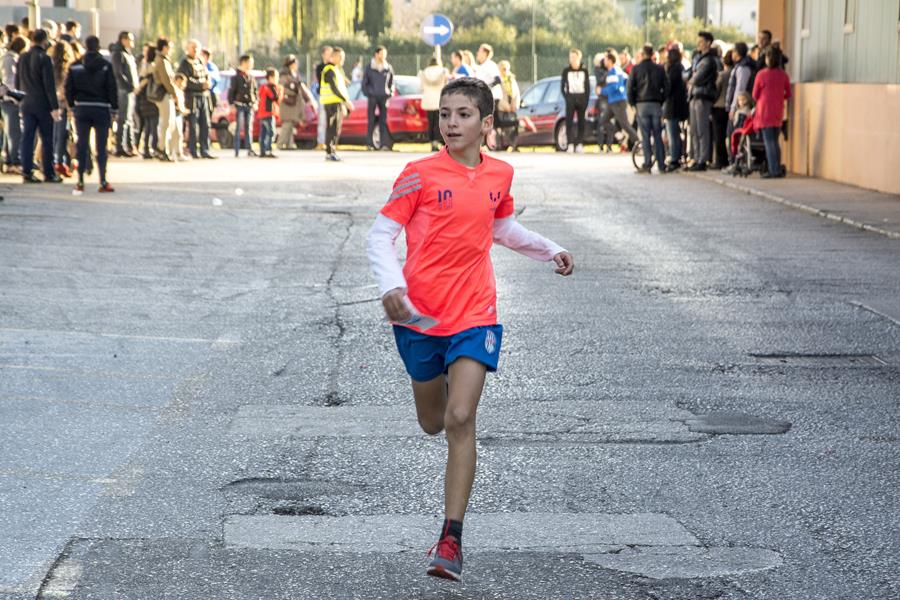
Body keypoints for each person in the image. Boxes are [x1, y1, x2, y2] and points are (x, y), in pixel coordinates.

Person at [365, 76, 574, 583]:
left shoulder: (500, 173)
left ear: (486, 123)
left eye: (463, 114)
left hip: (475, 312)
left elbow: (500, 228)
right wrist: (391, 286)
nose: (451, 123)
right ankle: (438, 377)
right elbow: (381, 234)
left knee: (460, 417)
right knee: (432, 422)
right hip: (421, 317)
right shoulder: (418, 174)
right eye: (445, 114)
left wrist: (550, 249)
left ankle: (450, 539)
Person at [64, 35, 117, 193]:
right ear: (98, 47)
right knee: (101, 146)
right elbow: (112, 88)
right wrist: (114, 108)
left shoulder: (75, 66)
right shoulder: (106, 66)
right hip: (101, 108)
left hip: (82, 108)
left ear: (86, 47)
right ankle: (103, 181)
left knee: (82, 144)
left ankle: (80, 181)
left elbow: (68, 88)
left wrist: (72, 105)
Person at [17, 28, 61, 184]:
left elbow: (17, 81)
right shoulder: (45, 58)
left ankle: (26, 171)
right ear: (44, 41)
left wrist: (19, 99)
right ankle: (49, 172)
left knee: (27, 137)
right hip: (42, 104)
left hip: (26, 102)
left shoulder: (22, 57)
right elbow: (49, 85)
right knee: (47, 139)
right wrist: (54, 107)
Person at [628, 44, 669, 173]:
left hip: (641, 104)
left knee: (645, 136)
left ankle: (647, 163)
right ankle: (661, 164)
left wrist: (633, 103)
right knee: (657, 135)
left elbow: (630, 88)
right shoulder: (659, 69)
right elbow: (666, 87)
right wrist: (661, 100)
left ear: (642, 54)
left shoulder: (636, 69)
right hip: (656, 104)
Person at [752, 47, 791, 178]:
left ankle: (773, 170)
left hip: (765, 111)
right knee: (775, 141)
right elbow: (788, 94)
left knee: (769, 142)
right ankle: (777, 167)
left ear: (767, 59)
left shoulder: (761, 74)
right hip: (778, 111)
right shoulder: (783, 75)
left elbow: (755, 95)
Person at [686, 31, 718, 171]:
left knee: (702, 129)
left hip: (703, 96)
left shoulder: (709, 60)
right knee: (694, 129)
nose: (698, 44)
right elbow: (687, 74)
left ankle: (702, 159)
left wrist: (692, 78)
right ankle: (696, 157)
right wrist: (691, 77)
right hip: (693, 95)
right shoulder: (697, 58)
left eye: (701, 41)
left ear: (708, 43)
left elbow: (697, 78)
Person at [178, 39, 214, 159]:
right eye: (193, 47)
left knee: (205, 124)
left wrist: (208, 82)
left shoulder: (200, 61)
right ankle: (193, 150)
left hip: (204, 96)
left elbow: (207, 75)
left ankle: (205, 149)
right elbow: (185, 80)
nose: (195, 50)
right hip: (192, 97)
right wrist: (200, 85)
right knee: (193, 126)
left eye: (197, 47)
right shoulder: (184, 63)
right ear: (187, 49)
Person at [597, 50, 637, 152]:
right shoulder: (617, 70)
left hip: (617, 101)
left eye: (606, 59)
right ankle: (619, 135)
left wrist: (601, 90)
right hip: (613, 100)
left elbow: (614, 87)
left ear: (610, 61)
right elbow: (626, 80)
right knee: (603, 120)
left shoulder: (613, 71)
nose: (604, 61)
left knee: (625, 124)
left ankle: (638, 142)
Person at [319, 46, 353, 162]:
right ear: (334, 57)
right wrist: (346, 101)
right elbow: (334, 88)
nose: (343, 59)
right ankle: (329, 152)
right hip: (331, 103)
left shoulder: (336, 70)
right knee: (332, 128)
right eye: (341, 57)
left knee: (336, 128)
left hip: (336, 102)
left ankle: (332, 151)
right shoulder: (329, 69)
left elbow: (341, 87)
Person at [111, 31, 139, 157]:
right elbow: (118, 73)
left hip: (130, 90)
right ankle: (120, 146)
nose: (132, 42)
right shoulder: (118, 54)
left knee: (129, 119)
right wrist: (128, 85)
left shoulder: (128, 54)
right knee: (123, 119)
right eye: (130, 39)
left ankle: (130, 145)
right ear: (123, 40)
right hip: (124, 90)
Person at [362, 45, 395, 151]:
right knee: (371, 120)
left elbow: (392, 82)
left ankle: (384, 144)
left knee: (383, 121)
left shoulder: (388, 67)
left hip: (384, 97)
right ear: (376, 54)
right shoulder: (369, 67)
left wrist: (390, 92)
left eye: (385, 54)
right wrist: (369, 93)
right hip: (372, 97)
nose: (384, 56)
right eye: (382, 54)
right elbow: (364, 83)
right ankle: (369, 144)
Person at [50, 39, 75, 178]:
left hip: (50, 105)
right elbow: (67, 90)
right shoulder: (68, 69)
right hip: (63, 105)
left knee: (52, 136)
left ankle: (53, 161)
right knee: (62, 136)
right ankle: (59, 162)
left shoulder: (50, 67)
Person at [2, 36, 27, 173]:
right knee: (14, 132)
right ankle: (13, 161)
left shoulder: (7, 57)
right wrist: (16, 95)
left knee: (10, 132)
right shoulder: (10, 59)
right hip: (10, 99)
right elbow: (10, 80)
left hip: (7, 99)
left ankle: (9, 160)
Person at [662, 46, 689, 170]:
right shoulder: (680, 68)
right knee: (675, 133)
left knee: (673, 134)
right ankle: (676, 155)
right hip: (679, 105)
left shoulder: (673, 69)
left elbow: (669, 87)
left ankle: (674, 158)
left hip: (672, 106)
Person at [152, 37, 179, 161]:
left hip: (166, 94)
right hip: (163, 95)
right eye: (170, 47)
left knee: (169, 123)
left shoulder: (163, 60)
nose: (171, 50)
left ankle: (164, 148)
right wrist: (174, 93)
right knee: (166, 123)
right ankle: (162, 148)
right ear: (164, 47)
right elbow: (167, 80)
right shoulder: (162, 61)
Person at [228, 54, 258, 158]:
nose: (251, 65)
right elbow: (231, 91)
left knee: (248, 128)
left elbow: (255, 91)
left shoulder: (251, 77)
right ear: (244, 62)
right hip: (239, 105)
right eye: (250, 62)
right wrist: (231, 104)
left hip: (249, 105)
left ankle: (249, 149)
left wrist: (255, 102)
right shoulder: (236, 77)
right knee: (237, 128)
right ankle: (236, 151)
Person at [278, 55, 311, 151]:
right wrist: (292, 92)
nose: (297, 65)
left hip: (294, 103)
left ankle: (289, 144)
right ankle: (281, 143)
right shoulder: (284, 75)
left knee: (291, 124)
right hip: (287, 102)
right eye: (295, 63)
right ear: (290, 64)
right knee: (287, 123)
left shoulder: (295, 74)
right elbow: (282, 88)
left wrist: (307, 99)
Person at [560, 48, 590, 153]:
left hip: (581, 99)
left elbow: (587, 87)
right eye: (570, 57)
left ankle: (579, 143)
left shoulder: (584, 70)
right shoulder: (566, 71)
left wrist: (585, 100)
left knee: (581, 122)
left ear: (579, 58)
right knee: (569, 122)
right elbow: (562, 86)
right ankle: (570, 144)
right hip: (570, 99)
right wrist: (567, 98)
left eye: (574, 57)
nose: (572, 59)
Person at [419, 56, 447, 152]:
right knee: (438, 122)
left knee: (430, 122)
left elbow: (421, 87)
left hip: (428, 100)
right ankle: (437, 142)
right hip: (439, 100)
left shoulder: (424, 72)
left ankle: (431, 142)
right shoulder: (442, 71)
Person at [136, 44, 159, 159]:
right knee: (153, 125)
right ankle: (153, 148)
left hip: (143, 98)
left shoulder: (144, 65)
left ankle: (146, 149)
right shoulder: (153, 66)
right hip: (151, 98)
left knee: (147, 125)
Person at [712, 46, 732, 169]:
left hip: (719, 106)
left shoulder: (723, 75)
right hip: (730, 107)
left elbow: (716, 89)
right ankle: (730, 158)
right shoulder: (735, 73)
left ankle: (720, 160)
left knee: (719, 135)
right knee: (729, 135)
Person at [256, 67, 281, 158]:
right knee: (271, 132)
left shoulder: (264, 87)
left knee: (263, 132)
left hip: (263, 113)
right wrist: (278, 89)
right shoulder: (269, 88)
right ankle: (268, 150)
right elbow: (275, 97)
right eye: (276, 77)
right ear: (270, 78)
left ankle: (263, 151)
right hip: (268, 113)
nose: (277, 79)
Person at [496, 59, 520, 150]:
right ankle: (500, 145)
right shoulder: (498, 80)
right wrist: (504, 105)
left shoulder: (511, 80)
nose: (504, 71)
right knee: (500, 126)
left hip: (512, 108)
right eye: (502, 69)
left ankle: (513, 145)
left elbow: (516, 94)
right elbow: (498, 94)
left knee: (511, 127)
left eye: (505, 69)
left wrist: (514, 105)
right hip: (502, 107)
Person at [313, 45, 333, 150]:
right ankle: (321, 142)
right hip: (323, 95)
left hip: (332, 96)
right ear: (323, 55)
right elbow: (321, 80)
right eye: (327, 54)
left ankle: (330, 141)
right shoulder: (320, 67)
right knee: (322, 119)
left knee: (331, 121)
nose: (329, 56)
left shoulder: (333, 67)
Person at [592, 51, 612, 152]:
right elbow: (600, 80)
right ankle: (601, 145)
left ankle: (609, 145)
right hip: (603, 98)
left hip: (609, 97)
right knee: (602, 121)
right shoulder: (599, 70)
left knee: (608, 122)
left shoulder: (609, 70)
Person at [171, 73, 190, 161]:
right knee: (175, 134)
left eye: (182, 82)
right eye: (179, 82)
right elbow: (176, 104)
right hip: (175, 114)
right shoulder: (174, 91)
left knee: (179, 134)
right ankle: (174, 152)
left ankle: (179, 152)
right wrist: (182, 110)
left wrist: (183, 110)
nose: (180, 84)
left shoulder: (181, 92)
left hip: (179, 115)